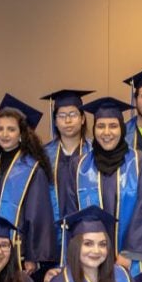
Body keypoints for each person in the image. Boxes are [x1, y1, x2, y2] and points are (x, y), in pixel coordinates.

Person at [64, 96, 142, 280]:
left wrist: (130, 253)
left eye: (113, 126)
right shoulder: (78, 166)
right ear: (93, 129)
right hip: (89, 260)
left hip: (129, 262)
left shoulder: (141, 162)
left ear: (122, 129)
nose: (106, 132)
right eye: (100, 126)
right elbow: (71, 213)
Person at [0, 94, 56, 278]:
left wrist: (32, 255)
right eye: (0, 129)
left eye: (11, 129)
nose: (4, 134)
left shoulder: (32, 169)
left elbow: (38, 215)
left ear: (21, 134)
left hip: (17, 251)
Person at [42, 88, 94, 263]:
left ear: (83, 118)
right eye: (62, 115)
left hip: (86, 233)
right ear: (55, 121)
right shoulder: (43, 155)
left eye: (73, 114)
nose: (68, 120)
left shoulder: (94, 152)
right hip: (51, 233)